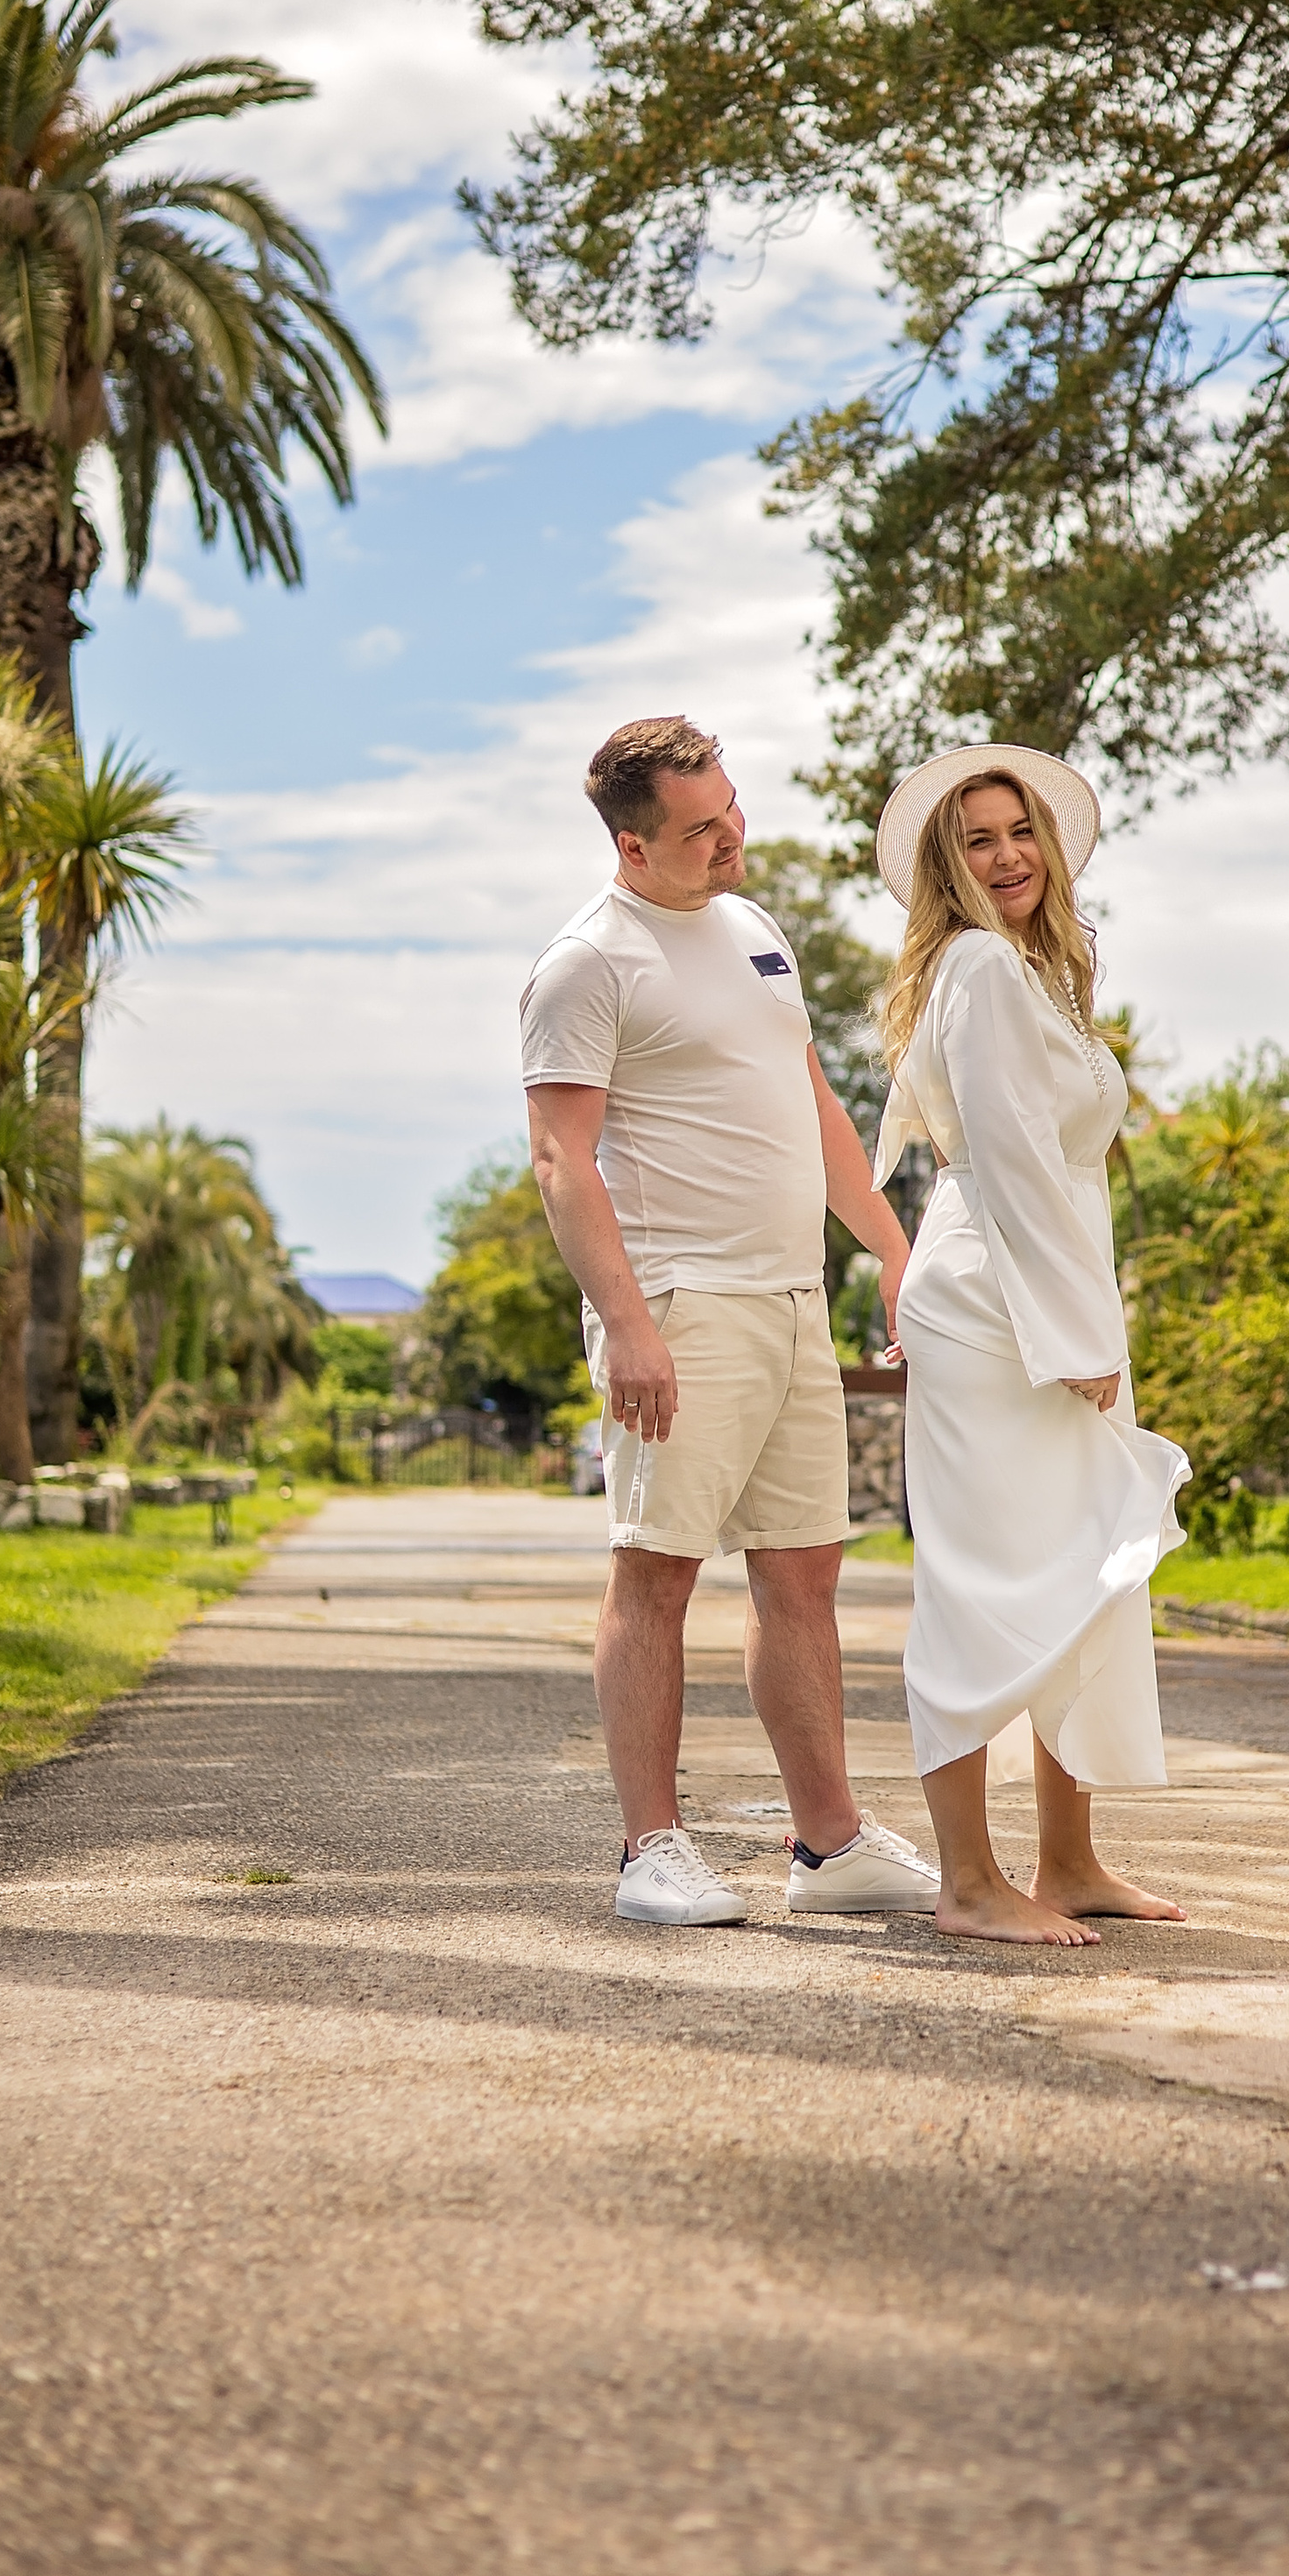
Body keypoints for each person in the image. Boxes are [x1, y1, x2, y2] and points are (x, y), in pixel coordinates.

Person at [523, 714, 940, 1928]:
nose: (731, 837)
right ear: (631, 844)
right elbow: (561, 1157)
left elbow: (811, 1102)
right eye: (702, 828)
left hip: (790, 1299)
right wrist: (628, 1327)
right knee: (654, 1574)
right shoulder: (587, 962)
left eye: (733, 809)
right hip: (679, 1305)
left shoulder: (753, 931)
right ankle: (650, 1850)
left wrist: (886, 1243)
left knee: (802, 1574)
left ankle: (830, 1846)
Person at [872, 746, 1188, 1945]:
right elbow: (1006, 1158)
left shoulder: (1037, 970)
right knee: (988, 1576)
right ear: (946, 869)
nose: (1006, 854)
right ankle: (966, 1885)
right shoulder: (981, 970)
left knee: (1087, 1566)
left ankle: (1069, 1859)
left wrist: (1085, 1317)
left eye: (1019, 833)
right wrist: (1073, 1331)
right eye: (977, 841)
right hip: (1002, 1300)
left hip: (1048, 1287)